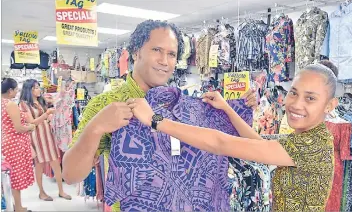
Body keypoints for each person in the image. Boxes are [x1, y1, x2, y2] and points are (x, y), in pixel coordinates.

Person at [62, 19, 258, 211]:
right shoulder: (108, 104)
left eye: (171, 54)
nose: (164, 61)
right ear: (136, 51)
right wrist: (95, 128)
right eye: (156, 50)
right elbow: (70, 175)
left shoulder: (185, 107)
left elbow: (238, 145)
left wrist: (234, 110)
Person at [129, 60, 339, 211]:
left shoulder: (311, 146)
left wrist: (155, 121)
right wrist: (227, 109)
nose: (296, 104)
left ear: (330, 105)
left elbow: (221, 143)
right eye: (293, 92)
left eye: (310, 98)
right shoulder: (309, 138)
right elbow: (255, 142)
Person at [19, 79, 71, 201]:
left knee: (56, 163)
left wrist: (49, 116)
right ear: (30, 89)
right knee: (39, 165)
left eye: (38, 87)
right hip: (36, 137)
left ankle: (61, 191)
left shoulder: (40, 100)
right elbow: (31, 122)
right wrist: (46, 114)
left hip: (48, 134)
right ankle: (42, 192)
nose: (39, 90)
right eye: (36, 87)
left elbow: (57, 99)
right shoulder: (23, 104)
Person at [1, 78, 35, 212]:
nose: (16, 92)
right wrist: (30, 126)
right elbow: (18, 128)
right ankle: (18, 207)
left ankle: (11, 205)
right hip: (15, 144)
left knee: (8, 177)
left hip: (7, 142)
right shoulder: (10, 104)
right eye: (15, 90)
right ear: (10, 91)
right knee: (15, 177)